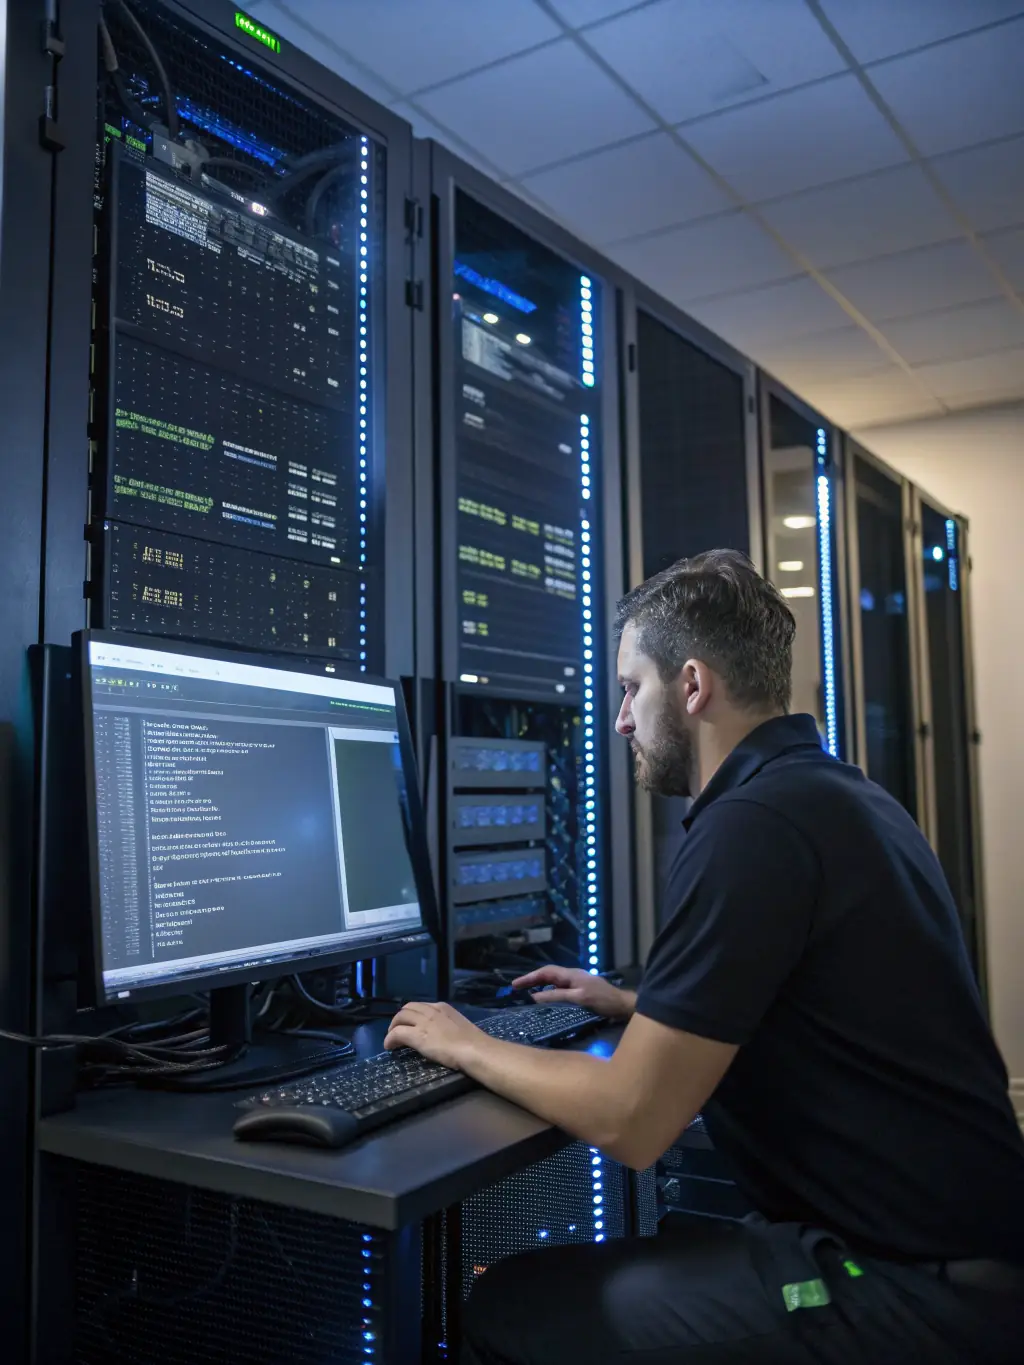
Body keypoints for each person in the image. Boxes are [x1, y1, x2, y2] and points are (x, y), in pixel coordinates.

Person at [385, 549, 1024, 1364]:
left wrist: (464, 1041)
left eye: (631, 688)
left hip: (909, 1288)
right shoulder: (838, 793)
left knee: (508, 1306)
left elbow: (632, 1119)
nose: (621, 720)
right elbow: (812, 997)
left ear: (690, 685)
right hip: (960, 1255)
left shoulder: (751, 825)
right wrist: (637, 1004)